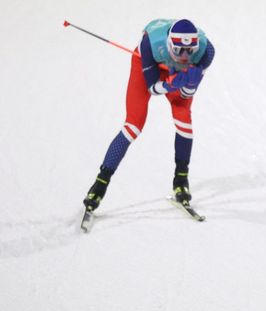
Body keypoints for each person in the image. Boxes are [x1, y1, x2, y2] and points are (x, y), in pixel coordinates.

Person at [83, 18, 215, 212]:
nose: (185, 56)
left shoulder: (206, 52)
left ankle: (181, 179)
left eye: (189, 51)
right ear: (170, 44)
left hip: (174, 74)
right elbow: (152, 88)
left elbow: (186, 96)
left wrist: (189, 84)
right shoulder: (150, 44)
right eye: (179, 50)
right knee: (133, 125)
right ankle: (100, 184)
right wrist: (171, 84)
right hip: (148, 64)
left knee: (183, 118)